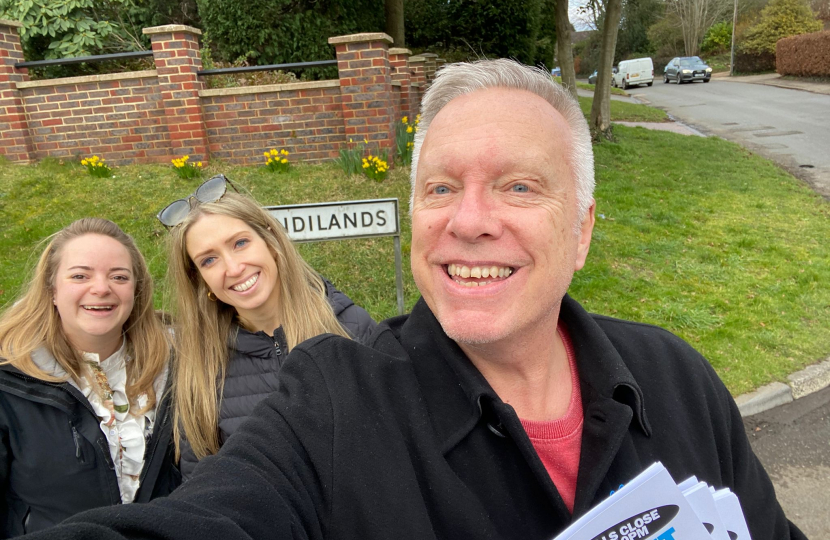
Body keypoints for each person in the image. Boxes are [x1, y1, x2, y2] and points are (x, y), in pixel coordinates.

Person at [24, 60, 805, 540]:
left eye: (519, 186)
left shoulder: (678, 378)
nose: (468, 221)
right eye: (439, 188)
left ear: (583, 229)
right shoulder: (332, 399)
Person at [155, 179, 376, 477]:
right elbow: (203, 489)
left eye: (240, 243)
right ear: (199, 280)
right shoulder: (199, 369)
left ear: (271, 241)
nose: (233, 268)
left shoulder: (350, 328)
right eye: (209, 260)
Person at [0, 218, 179, 537]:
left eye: (119, 276)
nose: (101, 288)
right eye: (80, 275)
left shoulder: (176, 365)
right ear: (52, 290)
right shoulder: (9, 379)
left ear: (136, 291)